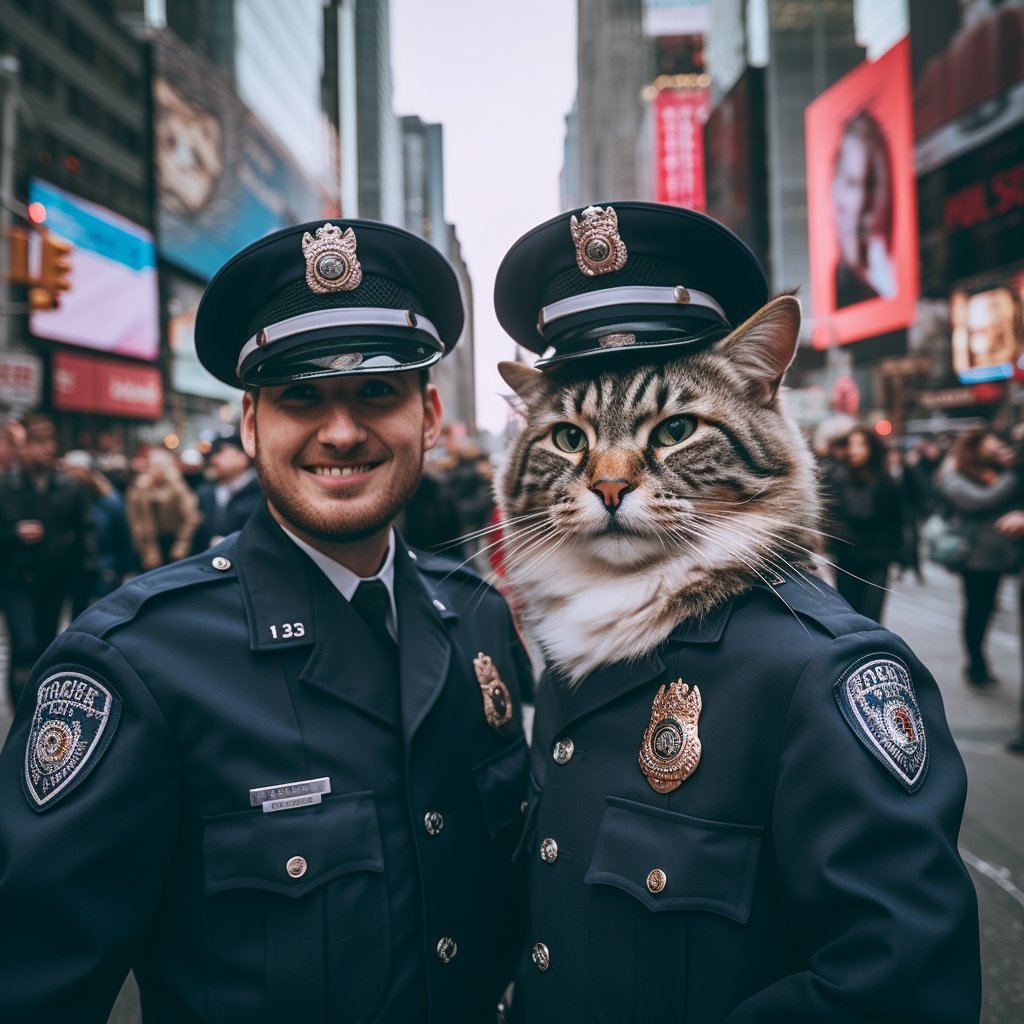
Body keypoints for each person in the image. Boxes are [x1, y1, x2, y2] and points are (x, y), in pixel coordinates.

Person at [0, 219, 532, 1022]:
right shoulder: (137, 664)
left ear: (427, 416)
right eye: (301, 397)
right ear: (251, 424)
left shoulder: (479, 620)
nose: (342, 431)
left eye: (376, 392)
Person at [491, 201, 980, 1022]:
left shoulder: (824, 672)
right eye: (572, 440)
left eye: (674, 428)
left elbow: (904, 991)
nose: (611, 478)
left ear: (761, 393)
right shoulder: (576, 647)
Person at [0, 414, 96, 708]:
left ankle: (36, 711)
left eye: (50, 442)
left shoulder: (69, 485)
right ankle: (21, 711)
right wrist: (14, 533)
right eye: (38, 443)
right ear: (22, 447)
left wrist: (87, 577)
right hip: (15, 581)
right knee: (25, 645)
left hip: (55, 580)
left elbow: (86, 531)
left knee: (46, 646)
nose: (46, 449)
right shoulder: (5, 485)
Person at [937, 428, 1022, 687]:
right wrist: (1012, 474)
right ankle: (975, 663)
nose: (998, 448)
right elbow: (981, 500)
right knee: (977, 610)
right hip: (974, 558)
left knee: (986, 608)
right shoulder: (955, 477)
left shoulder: (996, 473)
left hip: (1000, 555)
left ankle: (978, 662)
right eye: (991, 444)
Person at [821, 425, 905, 622]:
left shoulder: (886, 479)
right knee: (852, 615)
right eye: (851, 445)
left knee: (873, 616)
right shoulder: (836, 475)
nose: (855, 450)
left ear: (872, 448)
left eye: (861, 445)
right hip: (847, 556)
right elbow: (830, 515)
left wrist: (900, 553)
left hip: (878, 557)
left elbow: (897, 518)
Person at [831, 110, 897, 309]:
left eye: (872, 183)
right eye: (851, 183)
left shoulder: (890, 279)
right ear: (834, 191)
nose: (861, 203)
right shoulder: (839, 283)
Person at [124, 447, 200, 570]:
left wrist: (182, 543)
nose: (154, 469)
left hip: (172, 538)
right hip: (148, 541)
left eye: (158, 465)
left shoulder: (177, 486)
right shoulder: (140, 488)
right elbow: (135, 520)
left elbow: (192, 516)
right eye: (151, 465)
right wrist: (146, 549)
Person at [190, 432, 262, 553]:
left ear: (242, 456)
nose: (214, 459)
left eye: (220, 451)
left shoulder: (263, 494)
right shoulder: (205, 493)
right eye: (213, 454)